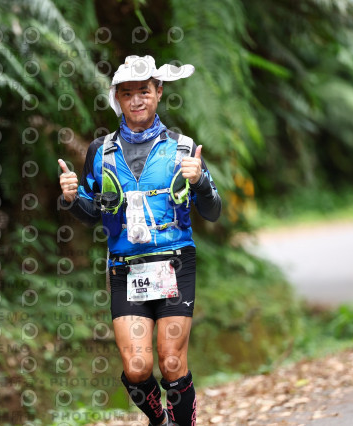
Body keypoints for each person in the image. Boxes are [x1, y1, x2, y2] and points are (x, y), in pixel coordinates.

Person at [58, 55, 221, 426]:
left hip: (175, 263)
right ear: (117, 98)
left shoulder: (183, 148)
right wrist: (71, 199)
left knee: (172, 362)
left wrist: (199, 181)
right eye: (127, 93)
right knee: (136, 367)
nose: (136, 100)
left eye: (144, 91)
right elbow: (91, 213)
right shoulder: (100, 152)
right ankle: (159, 420)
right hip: (125, 268)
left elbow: (213, 211)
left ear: (158, 92)